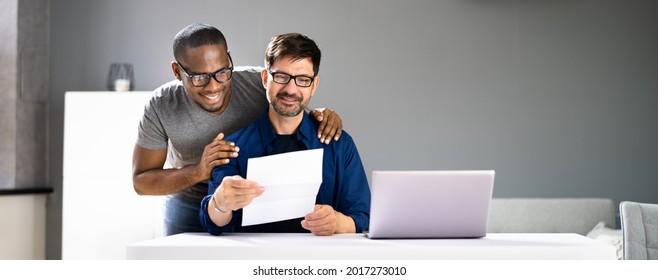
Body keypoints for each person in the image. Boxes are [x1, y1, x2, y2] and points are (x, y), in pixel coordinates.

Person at [132, 24, 344, 236]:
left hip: (247, 199)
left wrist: (320, 114)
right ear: (178, 72)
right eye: (199, 78)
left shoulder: (258, 83)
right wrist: (198, 171)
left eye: (222, 73)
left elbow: (292, 100)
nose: (213, 87)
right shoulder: (161, 105)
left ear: (230, 60)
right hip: (187, 200)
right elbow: (142, 182)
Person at [200, 33, 370, 236]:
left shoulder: (339, 145)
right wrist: (220, 203)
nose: (291, 89)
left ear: (314, 86)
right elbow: (214, 224)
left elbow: (364, 218)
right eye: (281, 77)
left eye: (303, 80)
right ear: (265, 78)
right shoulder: (233, 146)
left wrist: (339, 223)